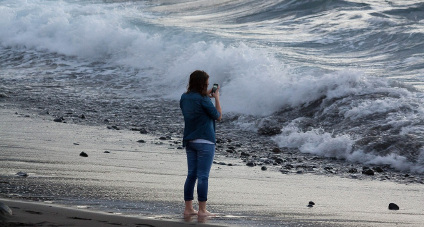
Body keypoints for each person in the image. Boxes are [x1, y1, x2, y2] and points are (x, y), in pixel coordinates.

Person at [180, 70, 222, 217]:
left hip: (190, 139)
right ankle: (202, 210)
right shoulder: (204, 99)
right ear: (202, 84)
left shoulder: (184, 97)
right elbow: (218, 115)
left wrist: (205, 95)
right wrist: (216, 98)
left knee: (191, 175)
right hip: (205, 140)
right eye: (206, 83)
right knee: (203, 176)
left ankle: (188, 208)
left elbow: (195, 110)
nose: (208, 85)